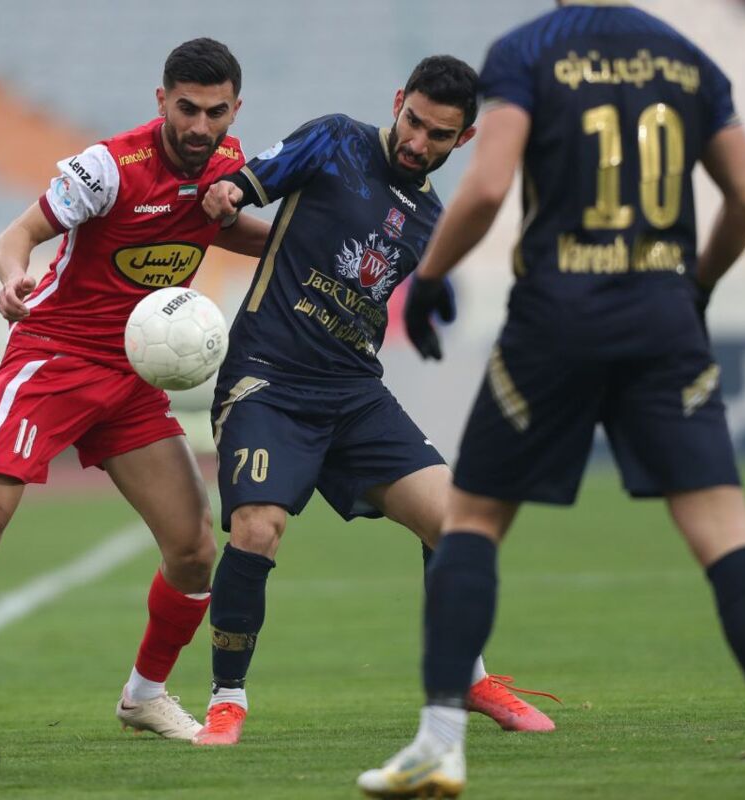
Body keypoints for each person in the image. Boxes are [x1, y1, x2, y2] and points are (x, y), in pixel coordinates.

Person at [358, 3, 745, 799]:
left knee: (473, 524)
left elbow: (489, 186)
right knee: (727, 537)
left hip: (556, 321)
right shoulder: (687, 59)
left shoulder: (528, 50)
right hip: (662, 323)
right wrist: (697, 287)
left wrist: (430, 276)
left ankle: (440, 745)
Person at [0, 38, 271, 749]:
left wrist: (291, 246)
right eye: (186, 108)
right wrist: (12, 278)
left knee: (193, 549)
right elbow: (19, 233)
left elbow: (222, 226)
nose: (199, 126)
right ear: (162, 100)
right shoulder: (108, 167)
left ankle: (144, 696)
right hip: (53, 360)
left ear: (235, 109)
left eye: (215, 112)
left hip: (133, 376)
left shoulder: (229, 168)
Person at [190, 56, 559, 748]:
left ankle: (467, 677)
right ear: (397, 101)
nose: (418, 141)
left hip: (354, 392)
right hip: (268, 379)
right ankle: (227, 700)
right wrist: (229, 193)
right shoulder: (335, 140)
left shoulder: (433, 220)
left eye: (439, 134)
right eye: (413, 120)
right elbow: (247, 184)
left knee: (457, 522)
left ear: (464, 138)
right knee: (258, 527)